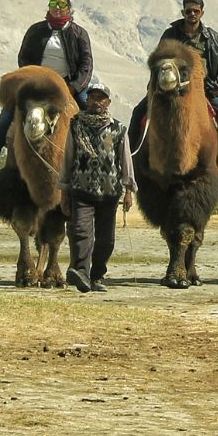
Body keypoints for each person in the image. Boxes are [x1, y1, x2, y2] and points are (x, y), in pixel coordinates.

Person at [0, 0, 93, 175]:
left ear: (69, 8)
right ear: (49, 6)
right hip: (38, 84)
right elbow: (23, 57)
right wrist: (32, 77)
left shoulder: (79, 33)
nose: (57, 8)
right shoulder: (36, 31)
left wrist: (75, 87)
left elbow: (87, 64)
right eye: (54, 4)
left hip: (69, 83)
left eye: (61, 5)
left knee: (88, 108)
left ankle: (96, 155)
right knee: (8, 110)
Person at [129, 0, 218, 192]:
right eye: (188, 11)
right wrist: (153, 87)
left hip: (204, 88)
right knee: (138, 112)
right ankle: (128, 162)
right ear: (183, 12)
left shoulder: (212, 37)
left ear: (202, 13)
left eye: (196, 11)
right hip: (170, 88)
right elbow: (158, 61)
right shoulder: (170, 34)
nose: (192, 14)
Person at [60, 80, 134, 293]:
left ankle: (97, 275)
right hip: (81, 190)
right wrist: (63, 190)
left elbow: (126, 160)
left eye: (101, 98)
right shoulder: (76, 126)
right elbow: (68, 158)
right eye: (92, 97)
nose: (96, 102)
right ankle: (81, 272)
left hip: (109, 193)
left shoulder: (118, 129)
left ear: (108, 102)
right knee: (80, 232)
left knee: (106, 240)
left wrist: (129, 190)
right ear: (87, 100)